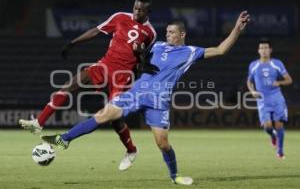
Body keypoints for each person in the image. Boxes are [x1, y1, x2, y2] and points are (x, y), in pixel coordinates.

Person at [42, 11, 250, 185]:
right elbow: (138, 57)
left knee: (162, 143)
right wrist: (137, 53)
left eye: (172, 32)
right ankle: (64, 139)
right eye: (167, 31)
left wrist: (237, 29)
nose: (167, 34)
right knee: (103, 115)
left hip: (159, 102)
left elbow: (221, 50)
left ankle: (174, 176)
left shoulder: (190, 52)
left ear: (182, 34)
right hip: (136, 94)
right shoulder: (157, 45)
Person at [19, 0, 157, 171]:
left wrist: (141, 53)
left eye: (141, 10)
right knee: (72, 83)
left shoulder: (151, 33)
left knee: (114, 119)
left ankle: (131, 151)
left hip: (123, 77)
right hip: (105, 66)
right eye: (135, 8)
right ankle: (39, 123)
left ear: (148, 12)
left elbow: (144, 62)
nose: (136, 12)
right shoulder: (120, 17)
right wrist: (73, 42)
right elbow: (96, 30)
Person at [247, 38, 292, 159]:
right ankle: (272, 136)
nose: (264, 50)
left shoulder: (277, 63)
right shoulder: (253, 65)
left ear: (270, 50)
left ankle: (280, 151)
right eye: (261, 48)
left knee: (279, 124)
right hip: (262, 99)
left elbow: (289, 80)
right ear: (258, 50)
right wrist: (252, 91)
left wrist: (280, 82)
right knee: (267, 126)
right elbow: (249, 81)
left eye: (266, 48)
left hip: (276, 98)